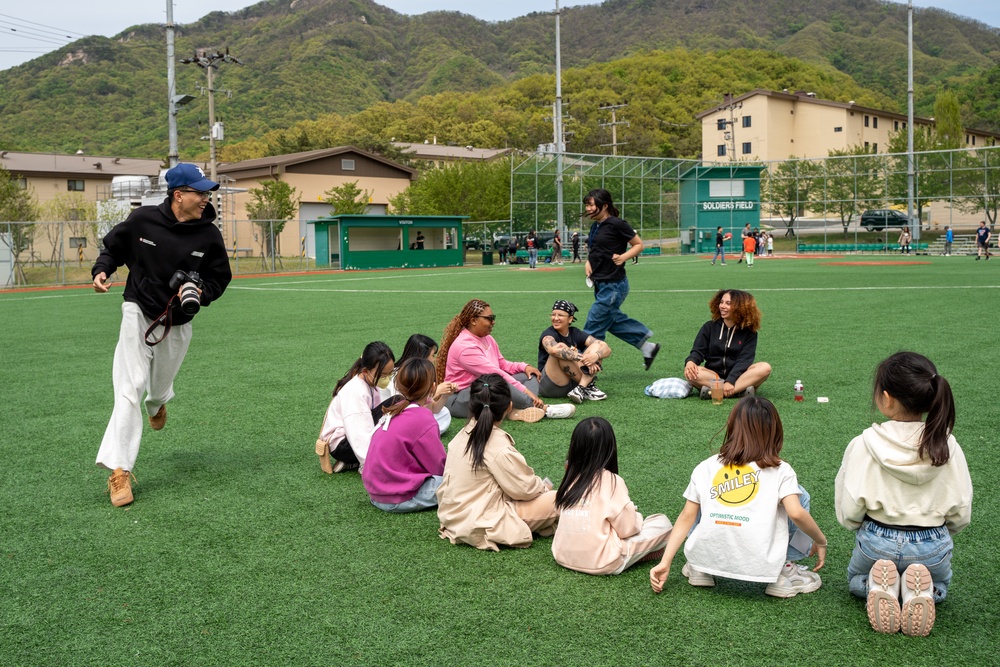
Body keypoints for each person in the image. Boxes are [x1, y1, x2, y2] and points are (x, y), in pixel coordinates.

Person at [92, 162, 232, 507]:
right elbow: (115, 248)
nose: (206, 198)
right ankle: (120, 471)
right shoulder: (143, 221)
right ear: (178, 194)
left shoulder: (208, 234)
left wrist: (202, 293)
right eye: (199, 192)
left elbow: (220, 278)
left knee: (155, 390)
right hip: (137, 311)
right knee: (129, 388)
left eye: (207, 192)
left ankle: (158, 403)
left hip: (177, 322)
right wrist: (102, 270)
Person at [835, 351, 972, 637]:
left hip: (877, 541)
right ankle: (923, 591)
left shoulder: (864, 443)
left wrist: (859, 525)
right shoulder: (947, 445)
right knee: (941, 585)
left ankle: (875, 585)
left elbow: (849, 512)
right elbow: (961, 512)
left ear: (887, 398)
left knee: (855, 581)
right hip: (931, 544)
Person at [650, 396, 827, 598]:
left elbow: (686, 517)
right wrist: (820, 541)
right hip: (763, 563)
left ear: (732, 427)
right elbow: (796, 513)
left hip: (706, 557)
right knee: (800, 496)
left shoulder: (706, 466)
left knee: (702, 499)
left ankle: (700, 568)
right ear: (774, 431)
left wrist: (665, 562)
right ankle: (783, 570)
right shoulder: (781, 471)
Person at [436, 374, 559, 550]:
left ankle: (547, 525)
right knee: (560, 498)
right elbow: (524, 489)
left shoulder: (461, 434)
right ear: (509, 406)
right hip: (481, 521)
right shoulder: (497, 444)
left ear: (472, 406)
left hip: (452, 516)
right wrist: (542, 487)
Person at [552, 417, 673, 575]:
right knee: (662, 523)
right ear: (610, 448)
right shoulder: (611, 480)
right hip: (603, 562)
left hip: (562, 555)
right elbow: (628, 529)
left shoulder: (570, 477)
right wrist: (635, 515)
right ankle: (638, 554)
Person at [437, 299, 575, 422]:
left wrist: (524, 367)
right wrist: (527, 393)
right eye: (489, 318)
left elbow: (502, 364)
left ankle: (514, 410)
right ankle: (542, 409)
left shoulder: (487, 338)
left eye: (493, 317)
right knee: (501, 382)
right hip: (461, 399)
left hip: (484, 388)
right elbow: (497, 373)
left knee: (528, 376)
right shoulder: (465, 347)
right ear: (473, 320)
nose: (493, 322)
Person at [581, 188, 661, 370]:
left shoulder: (617, 224)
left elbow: (639, 244)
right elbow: (595, 249)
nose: (588, 208)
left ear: (605, 205)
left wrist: (623, 257)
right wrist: (588, 262)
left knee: (592, 326)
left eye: (591, 204)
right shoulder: (596, 226)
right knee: (611, 320)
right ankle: (647, 347)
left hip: (613, 285)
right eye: (587, 204)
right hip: (601, 284)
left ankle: (583, 368)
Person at [362, 358, 447, 513]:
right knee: (459, 482)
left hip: (375, 493)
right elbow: (439, 466)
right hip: (397, 496)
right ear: (433, 388)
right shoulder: (423, 418)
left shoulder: (396, 409)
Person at [316, 341, 395, 474]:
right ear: (365, 371)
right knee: (396, 402)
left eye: (390, 374)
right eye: (382, 375)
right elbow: (359, 431)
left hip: (346, 441)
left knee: (395, 404)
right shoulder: (356, 391)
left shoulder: (369, 383)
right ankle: (359, 460)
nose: (386, 379)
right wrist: (371, 465)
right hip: (342, 445)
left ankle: (352, 462)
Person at [684, 289, 772, 399]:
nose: (722, 306)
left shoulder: (749, 332)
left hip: (739, 377)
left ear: (741, 307)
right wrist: (691, 362)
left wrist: (730, 381)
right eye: (721, 302)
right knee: (692, 373)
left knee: (764, 368)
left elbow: (745, 360)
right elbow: (698, 351)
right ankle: (739, 392)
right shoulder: (709, 327)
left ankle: (717, 391)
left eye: (728, 303)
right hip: (714, 376)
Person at [538, 300, 612, 403]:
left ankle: (581, 388)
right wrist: (585, 358)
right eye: (553, 315)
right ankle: (588, 386)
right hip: (551, 384)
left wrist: (595, 356)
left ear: (570, 319)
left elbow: (606, 348)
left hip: (573, 382)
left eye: (560, 315)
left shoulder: (575, 332)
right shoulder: (548, 334)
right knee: (561, 347)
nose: (555, 318)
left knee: (597, 346)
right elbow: (553, 350)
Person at [382, 334, 454, 434]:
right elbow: (402, 405)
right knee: (430, 419)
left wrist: (445, 395)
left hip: (415, 412)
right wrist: (435, 392)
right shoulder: (400, 374)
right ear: (422, 355)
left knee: (444, 413)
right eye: (432, 355)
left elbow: (432, 408)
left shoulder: (421, 374)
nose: (434, 360)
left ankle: (421, 431)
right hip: (401, 416)